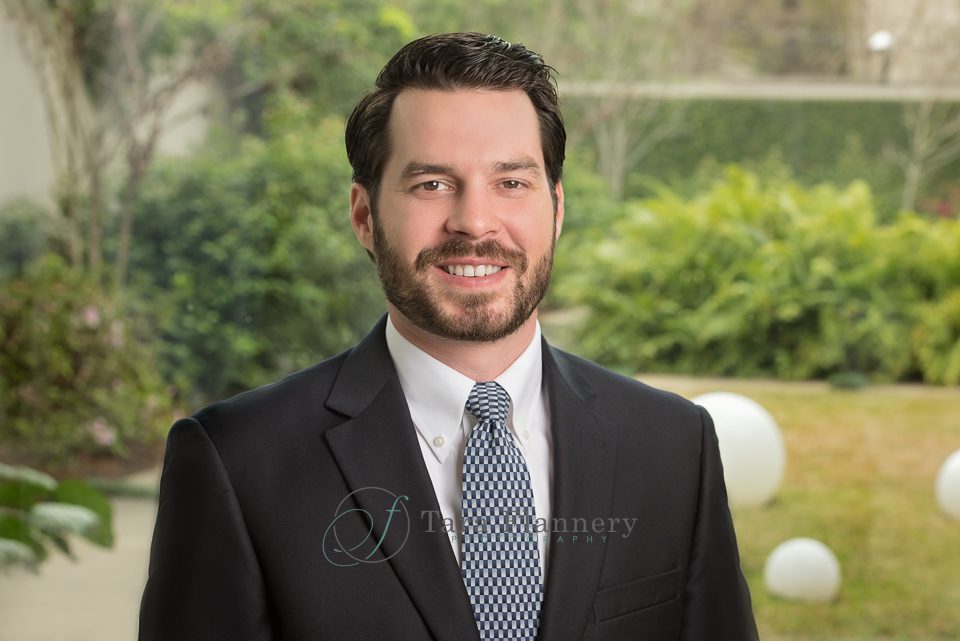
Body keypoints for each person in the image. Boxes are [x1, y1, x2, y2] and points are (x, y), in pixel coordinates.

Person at [139, 32, 758, 641]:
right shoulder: (236, 461)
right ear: (364, 216)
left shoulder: (675, 445)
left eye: (511, 182)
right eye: (431, 183)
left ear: (557, 208)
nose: (474, 222)